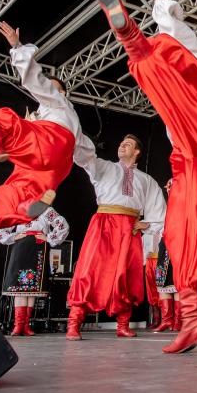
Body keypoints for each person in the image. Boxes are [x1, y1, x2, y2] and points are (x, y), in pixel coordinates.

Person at [91, 0, 197, 354]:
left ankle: (131, 39)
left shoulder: (185, 67)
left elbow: (174, 39)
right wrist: (161, 2)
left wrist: (161, 0)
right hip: (192, 166)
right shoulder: (176, 75)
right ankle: (193, 320)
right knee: (182, 236)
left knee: (162, 56)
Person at [0, 22, 80, 229]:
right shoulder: (47, 116)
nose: (45, 90)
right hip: (55, 163)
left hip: (49, 139)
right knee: (8, 193)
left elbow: (34, 79)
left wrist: (17, 48)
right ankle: (25, 209)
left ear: (62, 92)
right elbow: (86, 151)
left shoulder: (57, 100)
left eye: (51, 86)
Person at [66, 134, 166, 340]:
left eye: (127, 144)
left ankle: (123, 325)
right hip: (104, 225)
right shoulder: (104, 167)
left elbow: (158, 209)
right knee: (90, 271)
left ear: (137, 151)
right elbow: (85, 157)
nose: (122, 146)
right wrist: (73, 135)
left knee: (127, 275)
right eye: (121, 143)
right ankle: (74, 323)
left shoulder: (146, 180)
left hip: (130, 230)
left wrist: (146, 224)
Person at [0, 207, 70, 335]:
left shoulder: (46, 210)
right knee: (20, 287)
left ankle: (26, 325)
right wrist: (14, 236)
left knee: (33, 288)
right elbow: (1, 225)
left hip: (38, 246)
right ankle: (18, 325)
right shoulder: (16, 209)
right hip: (21, 246)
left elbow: (62, 225)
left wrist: (49, 237)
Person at [151, 179, 180, 333]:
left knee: (179, 279)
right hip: (167, 236)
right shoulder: (173, 181)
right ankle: (167, 320)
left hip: (182, 236)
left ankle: (177, 321)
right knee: (162, 278)